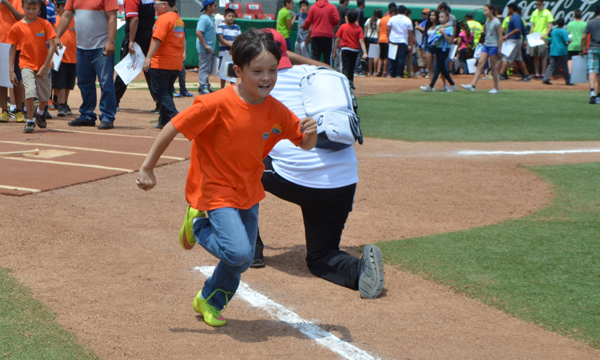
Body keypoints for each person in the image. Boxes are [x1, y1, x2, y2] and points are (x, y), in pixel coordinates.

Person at [136, 29, 317, 327]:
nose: (266, 78)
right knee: (239, 253)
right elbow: (173, 126)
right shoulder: (215, 103)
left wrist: (312, 133)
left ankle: (209, 299)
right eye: (257, 71)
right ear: (238, 71)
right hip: (215, 189)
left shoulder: (275, 110)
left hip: (249, 190)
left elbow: (304, 142)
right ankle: (197, 222)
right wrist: (147, 168)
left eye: (272, 70)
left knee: (240, 260)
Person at [251, 29, 385, 300]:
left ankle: (250, 247)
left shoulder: (257, 82)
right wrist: (292, 55)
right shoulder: (315, 75)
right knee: (322, 256)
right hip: (343, 183)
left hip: (295, 179)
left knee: (239, 165)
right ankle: (360, 272)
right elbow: (326, 66)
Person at [55, 0, 118, 130]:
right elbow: (66, 15)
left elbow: (112, 17)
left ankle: (107, 117)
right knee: (84, 83)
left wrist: (111, 41)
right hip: (82, 47)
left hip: (101, 46)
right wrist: (57, 36)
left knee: (106, 82)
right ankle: (87, 115)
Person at [7, 0, 56, 133]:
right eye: (28, 8)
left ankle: (40, 112)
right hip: (26, 64)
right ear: (22, 7)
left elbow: (52, 45)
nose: (31, 11)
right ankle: (30, 121)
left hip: (43, 64)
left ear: (39, 8)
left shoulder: (44, 24)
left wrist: (45, 65)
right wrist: (11, 71)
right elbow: (12, 49)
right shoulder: (17, 27)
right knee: (29, 91)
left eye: (34, 8)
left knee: (45, 95)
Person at [141, 0, 184, 129]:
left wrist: (148, 57)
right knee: (167, 91)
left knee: (160, 92)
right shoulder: (178, 19)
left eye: (157, 3)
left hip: (162, 63)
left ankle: (177, 118)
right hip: (175, 63)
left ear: (165, 4)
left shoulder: (163, 19)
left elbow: (157, 39)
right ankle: (163, 121)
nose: (154, 5)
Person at [114, 0, 156, 113]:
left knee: (125, 72)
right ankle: (161, 102)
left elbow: (135, 19)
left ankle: (113, 101)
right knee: (151, 72)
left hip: (136, 40)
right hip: (148, 38)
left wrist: (131, 40)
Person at [461, 5, 503, 94]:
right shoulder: (487, 22)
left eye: (486, 10)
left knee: (493, 67)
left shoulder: (496, 22)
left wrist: (499, 48)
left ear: (491, 11)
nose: (484, 12)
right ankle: (473, 85)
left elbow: (500, 36)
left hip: (494, 46)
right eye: (484, 10)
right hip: (486, 45)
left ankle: (496, 88)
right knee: (480, 64)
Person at [0, 0, 24, 123]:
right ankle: (4, 110)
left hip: (15, 44)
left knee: (17, 78)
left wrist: (6, 3)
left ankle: (19, 110)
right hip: (1, 43)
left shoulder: (17, 1)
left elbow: (22, 18)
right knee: (2, 79)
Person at [420, 10, 455, 92]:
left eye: (442, 17)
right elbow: (435, 37)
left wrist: (443, 33)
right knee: (441, 68)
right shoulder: (438, 27)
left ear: (447, 18)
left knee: (438, 68)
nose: (440, 18)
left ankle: (431, 86)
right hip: (437, 48)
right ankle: (452, 84)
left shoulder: (450, 28)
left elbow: (449, 40)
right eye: (440, 17)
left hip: (445, 49)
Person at [51, 0, 76, 117]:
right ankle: (60, 103)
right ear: (57, 7)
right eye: (62, 7)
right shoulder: (55, 20)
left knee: (68, 83)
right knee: (60, 82)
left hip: (73, 57)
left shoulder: (75, 21)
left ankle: (65, 102)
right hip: (60, 57)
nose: (65, 10)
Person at [333, 9, 367, 87]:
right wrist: (365, 52)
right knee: (351, 67)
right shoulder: (359, 28)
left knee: (345, 66)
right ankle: (351, 82)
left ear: (347, 18)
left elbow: (337, 40)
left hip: (345, 49)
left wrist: (334, 51)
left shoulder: (343, 26)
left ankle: (345, 83)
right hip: (354, 50)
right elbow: (361, 41)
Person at [499, 4, 531, 82]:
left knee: (506, 58)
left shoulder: (515, 17)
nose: (508, 11)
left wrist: (507, 35)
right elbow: (523, 29)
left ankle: (500, 75)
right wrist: (524, 40)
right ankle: (527, 75)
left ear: (512, 9)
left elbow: (518, 29)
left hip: (513, 40)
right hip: (517, 40)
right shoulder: (519, 17)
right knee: (518, 59)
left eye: (509, 9)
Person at [303, 0, 340, 66]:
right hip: (328, 35)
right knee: (327, 57)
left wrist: (305, 27)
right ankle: (327, 74)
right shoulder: (332, 7)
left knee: (315, 57)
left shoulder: (313, 7)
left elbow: (308, 21)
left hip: (315, 35)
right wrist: (331, 24)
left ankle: (314, 73)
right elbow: (337, 20)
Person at [386, 5, 414, 79]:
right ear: (405, 12)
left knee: (392, 57)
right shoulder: (408, 20)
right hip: (403, 41)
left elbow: (388, 28)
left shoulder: (392, 18)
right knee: (401, 59)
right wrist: (410, 42)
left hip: (393, 40)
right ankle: (398, 74)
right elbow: (410, 32)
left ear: (398, 11)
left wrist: (388, 37)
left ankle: (389, 73)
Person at [196, 0, 217, 95]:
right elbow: (198, 32)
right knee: (204, 67)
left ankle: (206, 85)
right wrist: (205, 45)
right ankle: (203, 86)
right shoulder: (204, 18)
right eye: (215, 6)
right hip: (205, 48)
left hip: (209, 48)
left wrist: (213, 48)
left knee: (207, 68)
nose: (216, 7)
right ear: (208, 6)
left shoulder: (210, 18)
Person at [216, 8, 241, 89]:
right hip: (223, 52)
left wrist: (234, 48)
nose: (231, 18)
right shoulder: (221, 26)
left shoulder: (237, 27)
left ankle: (232, 88)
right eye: (229, 16)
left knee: (233, 71)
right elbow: (221, 39)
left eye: (233, 16)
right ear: (224, 17)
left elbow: (239, 39)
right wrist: (232, 46)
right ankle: (222, 88)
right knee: (223, 71)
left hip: (234, 53)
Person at [529, 0, 554, 79]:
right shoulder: (534, 13)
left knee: (543, 56)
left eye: (539, 4)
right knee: (535, 56)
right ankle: (537, 73)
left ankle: (543, 74)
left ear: (543, 4)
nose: (538, 6)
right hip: (535, 36)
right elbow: (532, 25)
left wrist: (546, 34)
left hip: (543, 37)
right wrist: (530, 35)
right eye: (536, 4)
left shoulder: (547, 12)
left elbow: (550, 24)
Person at [543, 17, 571, 85]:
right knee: (564, 66)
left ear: (557, 23)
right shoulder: (564, 31)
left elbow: (551, 39)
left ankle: (546, 78)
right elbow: (567, 40)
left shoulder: (553, 31)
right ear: (563, 24)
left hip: (553, 50)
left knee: (551, 65)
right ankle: (568, 81)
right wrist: (570, 39)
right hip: (562, 51)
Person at [581, 5, 600, 104]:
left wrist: (581, 49)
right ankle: (599, 95)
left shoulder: (591, 22)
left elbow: (584, 37)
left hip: (593, 48)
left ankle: (592, 91)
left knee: (592, 70)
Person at [377, 5, 394, 76]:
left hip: (381, 39)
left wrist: (378, 38)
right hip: (387, 39)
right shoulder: (391, 20)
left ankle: (378, 71)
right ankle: (384, 71)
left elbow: (378, 30)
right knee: (386, 57)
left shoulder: (382, 19)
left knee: (381, 57)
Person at [364, 8, 381, 76]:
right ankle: (375, 71)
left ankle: (370, 71)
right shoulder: (380, 20)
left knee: (371, 55)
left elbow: (366, 30)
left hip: (369, 38)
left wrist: (365, 38)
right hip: (376, 38)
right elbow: (379, 31)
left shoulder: (369, 19)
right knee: (376, 56)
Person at [334, 0, 349, 71]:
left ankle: (336, 68)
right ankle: (340, 69)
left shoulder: (336, 8)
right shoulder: (345, 9)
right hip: (342, 31)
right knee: (341, 50)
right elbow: (347, 20)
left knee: (336, 49)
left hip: (335, 30)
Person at [414, 8, 430, 76]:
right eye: (423, 13)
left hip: (425, 42)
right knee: (420, 56)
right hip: (420, 41)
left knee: (424, 56)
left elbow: (426, 30)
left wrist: (418, 27)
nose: (423, 15)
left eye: (425, 14)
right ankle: (422, 70)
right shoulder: (423, 22)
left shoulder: (428, 22)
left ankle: (425, 71)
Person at [353, 0, 366, 75]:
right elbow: (357, 21)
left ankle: (356, 69)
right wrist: (359, 31)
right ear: (362, 3)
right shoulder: (360, 11)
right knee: (359, 53)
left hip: (356, 33)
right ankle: (357, 70)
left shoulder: (356, 10)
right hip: (358, 34)